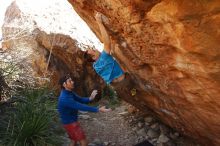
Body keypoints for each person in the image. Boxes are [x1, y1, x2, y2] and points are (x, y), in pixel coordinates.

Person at [84, 12, 137, 96]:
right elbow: (107, 43)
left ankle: (133, 95)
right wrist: (99, 22)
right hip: (125, 82)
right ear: (94, 57)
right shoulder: (103, 58)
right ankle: (134, 92)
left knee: (131, 96)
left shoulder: (95, 66)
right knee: (133, 89)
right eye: (94, 50)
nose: (96, 49)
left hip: (116, 86)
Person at [58, 74, 111, 146]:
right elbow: (81, 106)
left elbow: (80, 99)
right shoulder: (65, 98)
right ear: (64, 84)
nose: (72, 82)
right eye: (70, 81)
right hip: (71, 124)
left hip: (69, 123)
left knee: (73, 141)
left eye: (71, 80)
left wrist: (90, 98)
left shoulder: (69, 92)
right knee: (84, 143)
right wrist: (98, 109)